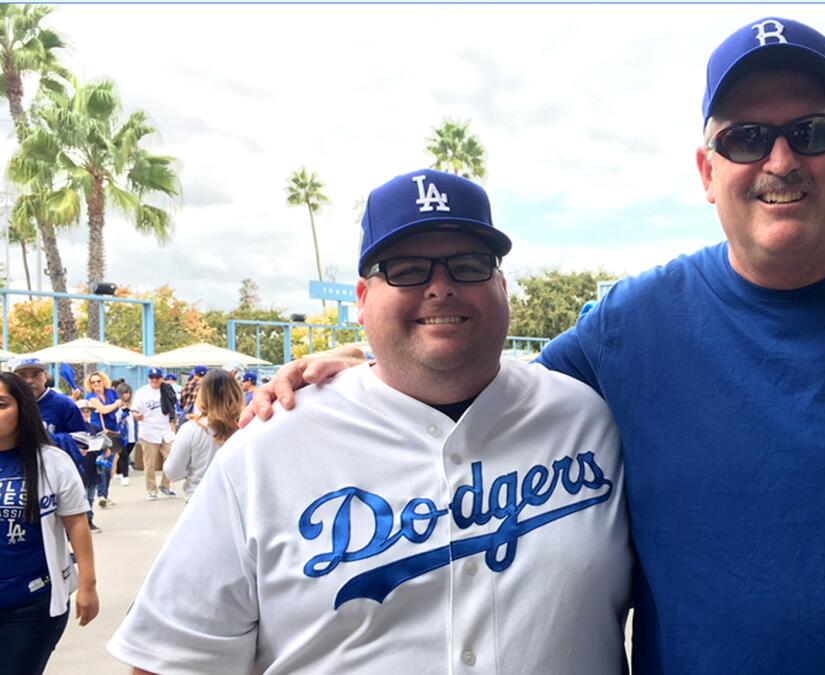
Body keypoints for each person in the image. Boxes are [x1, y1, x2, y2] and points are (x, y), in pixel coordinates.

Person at [253, 18, 825, 675]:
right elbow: (488, 396)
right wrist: (371, 372)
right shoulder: (635, 324)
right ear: (707, 171)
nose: (780, 159)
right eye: (747, 137)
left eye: (811, 132)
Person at [108, 169, 631, 673]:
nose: (441, 287)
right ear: (362, 299)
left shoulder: (587, 418)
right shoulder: (269, 445)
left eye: (469, 264)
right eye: (406, 269)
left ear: (502, 285)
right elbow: (176, 660)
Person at [0, 371, 99, 673]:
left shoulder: (52, 462)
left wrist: (88, 585)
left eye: (2, 404)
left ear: (23, 410)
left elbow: (76, 524)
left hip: (31, 605)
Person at [162, 369, 242, 501]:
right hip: (240, 503)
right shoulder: (248, 427)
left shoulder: (191, 429)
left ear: (203, 395)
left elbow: (173, 472)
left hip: (199, 501)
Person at [11, 358, 87, 475]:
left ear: (45, 376)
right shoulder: (10, 404)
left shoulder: (62, 403)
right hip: (18, 472)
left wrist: (46, 439)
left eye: (36, 375)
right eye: (22, 376)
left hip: (57, 474)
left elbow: (84, 440)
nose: (29, 380)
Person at [130, 367, 176, 500]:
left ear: (162, 378)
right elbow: (134, 410)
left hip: (165, 429)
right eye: (152, 378)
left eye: (157, 378)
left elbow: (173, 408)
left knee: (171, 458)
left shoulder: (167, 390)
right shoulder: (142, 392)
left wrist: (173, 423)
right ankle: (151, 489)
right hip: (149, 430)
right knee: (150, 463)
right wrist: (136, 415)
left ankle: (165, 485)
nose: (154, 380)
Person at [71, 399, 110, 531]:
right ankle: (79, 523)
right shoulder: (71, 428)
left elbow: (106, 443)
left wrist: (104, 451)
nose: (84, 413)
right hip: (77, 467)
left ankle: (89, 520)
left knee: (90, 496)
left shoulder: (94, 428)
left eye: (87, 411)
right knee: (78, 497)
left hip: (92, 466)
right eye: (81, 411)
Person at [83, 372, 122, 497]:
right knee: (101, 463)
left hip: (113, 431)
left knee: (110, 465)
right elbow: (103, 409)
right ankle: (100, 494)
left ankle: (105, 494)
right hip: (99, 432)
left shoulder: (111, 393)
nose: (96, 384)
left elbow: (122, 405)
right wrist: (116, 404)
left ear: (103, 381)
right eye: (93, 382)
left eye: (98, 381)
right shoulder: (90, 396)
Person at [114, 383, 137, 488]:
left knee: (126, 453)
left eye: (128, 393)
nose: (127, 395)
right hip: (122, 434)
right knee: (123, 455)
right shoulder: (116, 404)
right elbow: (116, 419)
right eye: (124, 393)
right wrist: (124, 413)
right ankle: (125, 476)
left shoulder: (133, 404)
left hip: (132, 434)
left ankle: (118, 472)